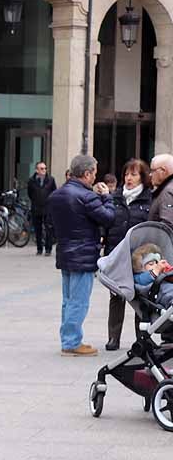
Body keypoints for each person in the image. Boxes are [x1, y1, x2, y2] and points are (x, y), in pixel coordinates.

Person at [46, 154, 115, 357]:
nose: (95, 176)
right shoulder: (87, 196)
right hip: (83, 254)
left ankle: (68, 338)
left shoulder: (57, 194)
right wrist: (107, 197)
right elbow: (108, 218)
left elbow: (49, 224)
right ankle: (72, 342)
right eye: (94, 172)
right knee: (79, 300)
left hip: (65, 252)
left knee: (68, 300)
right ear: (86, 173)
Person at [103, 159, 151, 351]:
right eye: (126, 174)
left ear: (142, 177)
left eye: (134, 174)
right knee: (116, 296)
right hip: (117, 252)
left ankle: (142, 339)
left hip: (140, 255)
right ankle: (113, 338)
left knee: (140, 297)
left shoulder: (149, 198)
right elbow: (106, 224)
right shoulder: (115, 197)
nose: (128, 178)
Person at [27, 161, 57, 256]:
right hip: (36, 208)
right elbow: (30, 193)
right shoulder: (32, 180)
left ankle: (48, 249)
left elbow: (54, 192)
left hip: (47, 208)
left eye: (45, 168)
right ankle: (39, 248)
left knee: (49, 229)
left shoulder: (51, 180)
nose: (44, 170)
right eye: (42, 168)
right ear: (37, 170)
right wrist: (35, 201)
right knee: (37, 229)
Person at [149, 153, 173, 228]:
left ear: (163, 171)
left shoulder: (167, 191)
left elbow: (167, 224)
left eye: (153, 170)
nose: (150, 174)